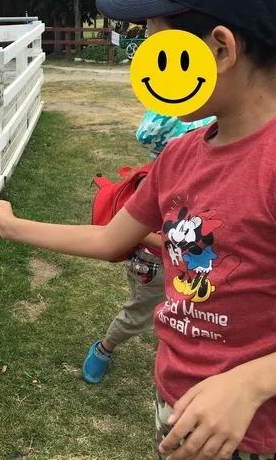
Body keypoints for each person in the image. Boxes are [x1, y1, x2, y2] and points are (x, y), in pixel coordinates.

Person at [0, 0, 276, 459]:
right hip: (172, 400)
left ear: (219, 48)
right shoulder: (180, 155)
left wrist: (250, 385)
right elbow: (112, 239)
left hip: (246, 433)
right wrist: (14, 225)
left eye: (157, 49)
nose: (144, 71)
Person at [83, 110, 215, 384]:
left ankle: (181, 343)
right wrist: (181, 242)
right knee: (138, 313)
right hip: (153, 265)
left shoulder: (195, 177)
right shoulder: (152, 182)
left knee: (189, 305)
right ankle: (105, 348)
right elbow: (139, 234)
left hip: (182, 261)